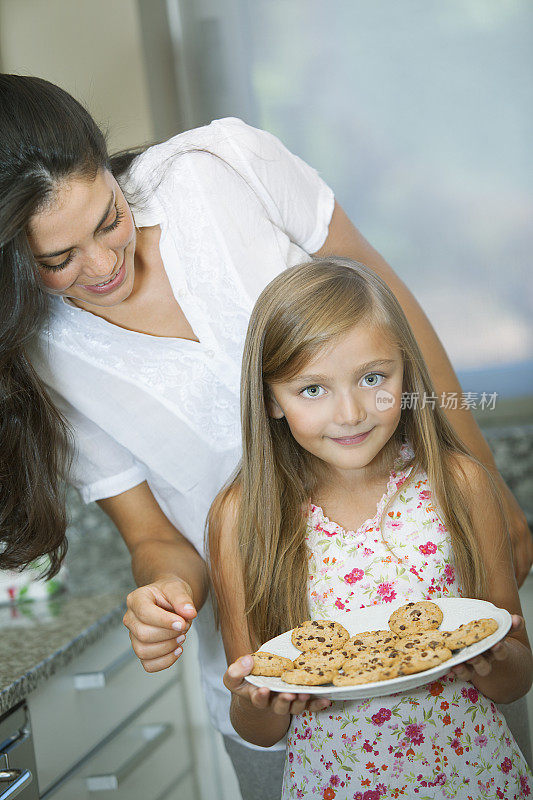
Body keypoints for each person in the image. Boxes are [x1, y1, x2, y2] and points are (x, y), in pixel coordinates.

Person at [0, 73, 531, 799]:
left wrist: (479, 475)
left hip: (445, 682)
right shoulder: (42, 355)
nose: (101, 264)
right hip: (278, 697)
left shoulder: (221, 169)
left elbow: (385, 302)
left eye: (108, 218)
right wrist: (163, 595)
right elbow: (156, 541)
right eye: (55, 260)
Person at [215, 257, 533, 798]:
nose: (350, 412)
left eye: (372, 378)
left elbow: (517, 678)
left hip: (475, 777)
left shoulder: (459, 485)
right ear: (271, 398)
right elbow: (260, 730)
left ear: (406, 371)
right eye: (312, 389)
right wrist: (254, 700)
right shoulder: (244, 519)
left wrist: (494, 657)